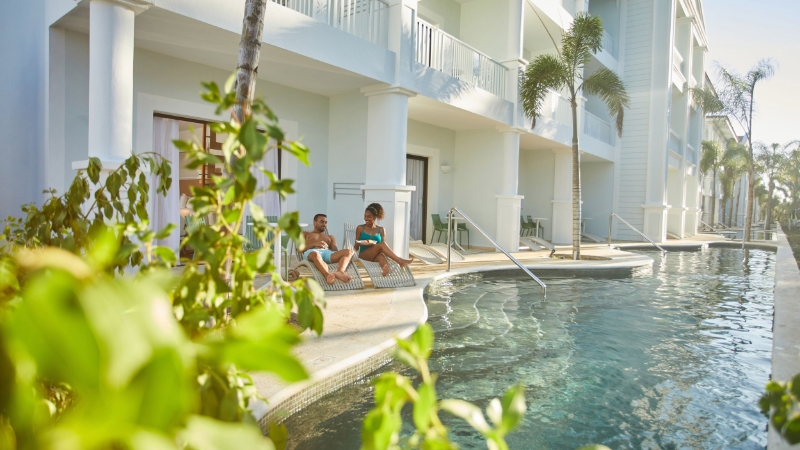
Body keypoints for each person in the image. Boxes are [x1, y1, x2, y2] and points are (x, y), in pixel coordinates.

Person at [354, 203, 413, 276]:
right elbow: (355, 248)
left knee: (380, 256)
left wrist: (376, 246)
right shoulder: (360, 228)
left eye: (369, 216)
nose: (366, 219)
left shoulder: (381, 230)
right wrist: (359, 243)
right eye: (365, 216)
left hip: (375, 256)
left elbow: (384, 249)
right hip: (364, 256)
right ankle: (400, 261)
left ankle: (385, 269)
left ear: (375, 217)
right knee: (382, 244)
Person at [299, 214, 354, 284]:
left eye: (326, 222)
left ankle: (340, 271)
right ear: (314, 222)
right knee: (316, 254)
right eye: (322, 222)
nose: (324, 224)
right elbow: (299, 249)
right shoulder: (305, 234)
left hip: (327, 253)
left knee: (350, 251)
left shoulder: (330, 237)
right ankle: (327, 275)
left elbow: (335, 252)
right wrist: (315, 244)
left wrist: (330, 249)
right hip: (312, 252)